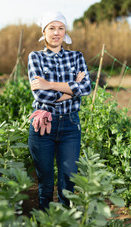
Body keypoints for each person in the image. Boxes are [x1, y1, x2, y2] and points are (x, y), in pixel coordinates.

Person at [27, 10, 91, 211]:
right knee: (46, 182)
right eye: (52, 28)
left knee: (68, 180)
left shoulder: (76, 56)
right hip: (43, 125)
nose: (56, 33)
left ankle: (64, 224)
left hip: (70, 125)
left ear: (65, 32)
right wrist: (73, 87)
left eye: (60, 28)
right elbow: (41, 96)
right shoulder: (35, 57)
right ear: (44, 32)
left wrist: (49, 84)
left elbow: (87, 88)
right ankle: (46, 225)